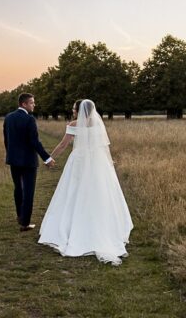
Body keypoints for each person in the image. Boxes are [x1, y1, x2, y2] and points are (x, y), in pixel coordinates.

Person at [38, 99, 133, 265]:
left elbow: (63, 144)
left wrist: (50, 158)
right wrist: (109, 162)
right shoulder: (98, 124)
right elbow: (105, 146)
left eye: (74, 108)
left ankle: (74, 226)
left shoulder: (74, 124)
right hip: (98, 161)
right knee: (98, 191)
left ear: (80, 110)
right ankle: (102, 226)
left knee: (74, 191)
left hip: (80, 161)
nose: (73, 110)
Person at [3, 93, 55, 231]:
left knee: (18, 189)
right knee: (28, 191)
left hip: (13, 160)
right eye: (32, 102)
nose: (34, 105)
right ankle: (25, 223)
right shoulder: (29, 119)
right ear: (24, 104)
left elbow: (6, 140)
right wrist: (47, 158)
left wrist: (11, 154)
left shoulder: (8, 117)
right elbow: (34, 142)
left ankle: (20, 216)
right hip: (28, 161)